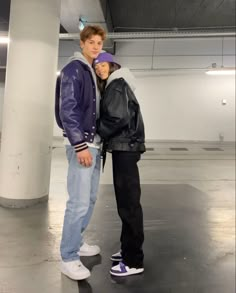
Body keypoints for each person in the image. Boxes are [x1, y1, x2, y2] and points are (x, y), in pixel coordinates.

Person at [55, 25, 106, 280]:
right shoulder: (74, 70)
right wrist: (79, 145)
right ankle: (68, 256)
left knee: (91, 198)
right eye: (92, 42)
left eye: (99, 43)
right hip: (83, 144)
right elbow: (68, 110)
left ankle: (77, 241)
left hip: (95, 144)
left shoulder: (91, 72)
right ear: (82, 43)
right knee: (77, 203)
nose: (96, 46)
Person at [93, 52, 146, 277]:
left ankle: (133, 261)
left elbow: (117, 118)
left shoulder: (116, 85)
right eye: (96, 67)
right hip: (126, 147)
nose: (99, 69)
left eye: (103, 64)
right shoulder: (119, 83)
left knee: (129, 204)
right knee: (127, 202)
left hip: (125, 148)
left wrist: (96, 131)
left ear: (113, 65)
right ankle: (127, 250)